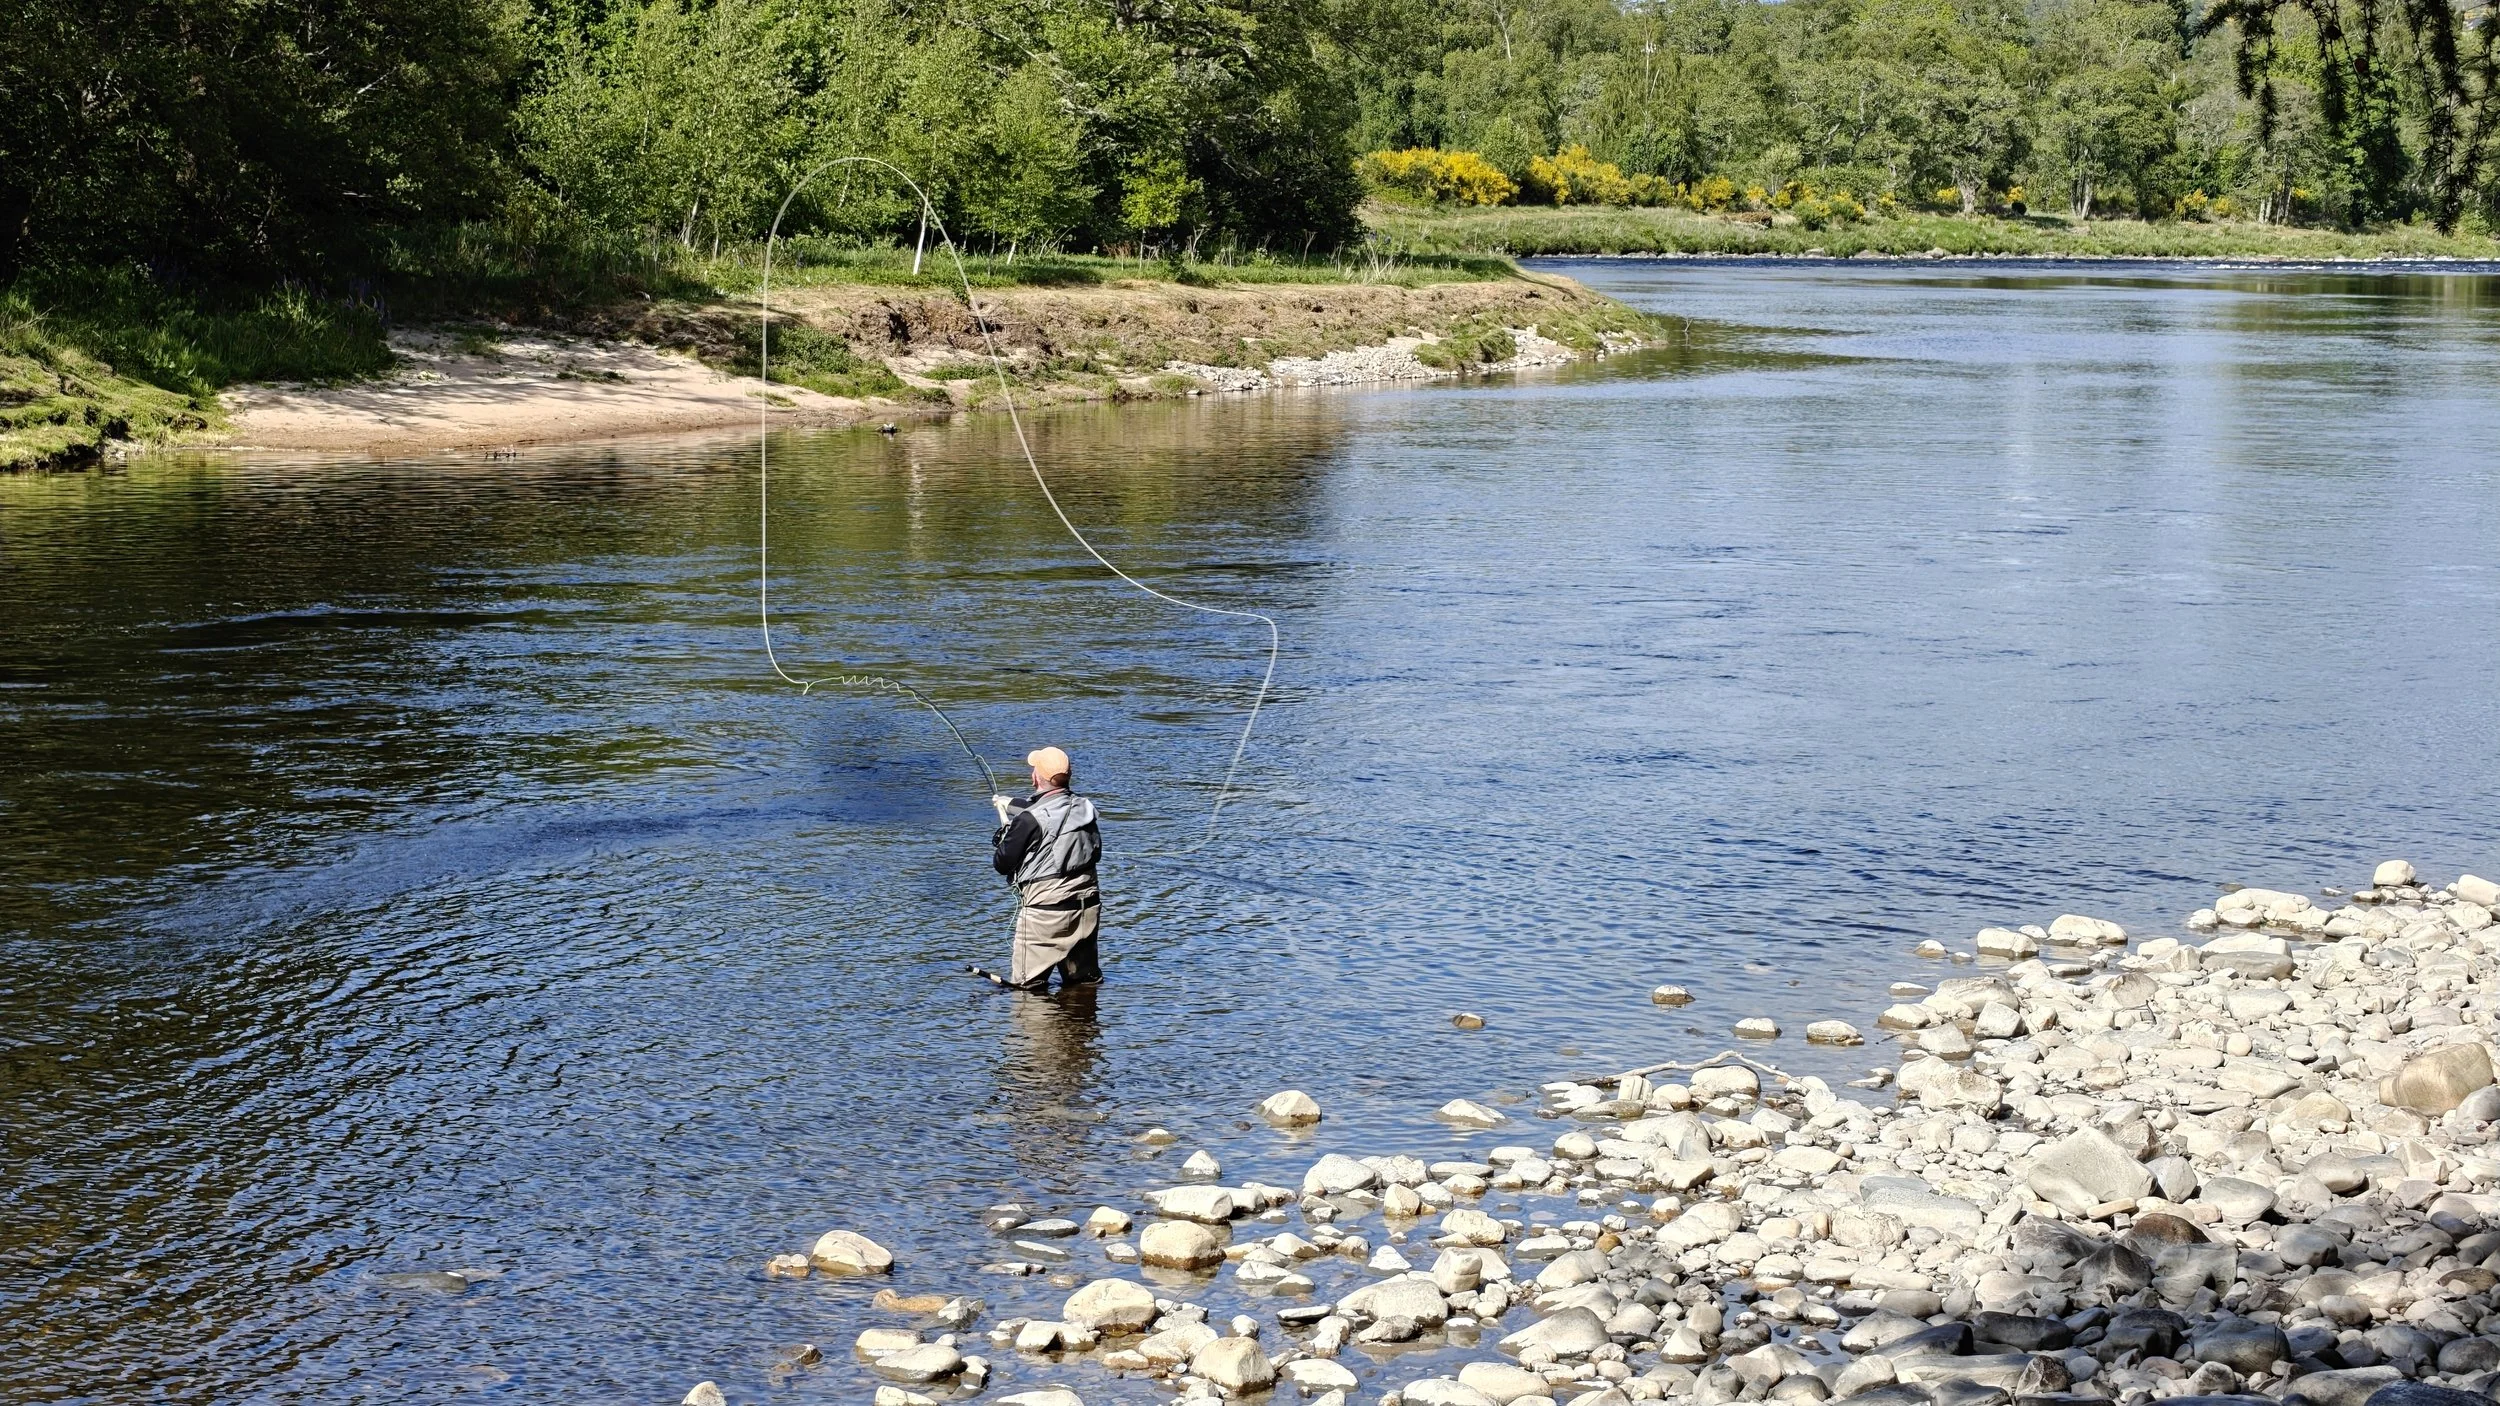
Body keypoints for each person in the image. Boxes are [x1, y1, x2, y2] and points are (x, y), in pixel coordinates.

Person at [990, 745, 1102, 990]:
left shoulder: (1027, 821)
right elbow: (1049, 810)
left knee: (1027, 992)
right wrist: (1007, 804)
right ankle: (1083, 1026)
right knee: (1084, 985)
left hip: (1046, 916)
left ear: (1035, 777)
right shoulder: (1085, 808)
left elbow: (1002, 863)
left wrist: (1005, 838)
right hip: (1087, 909)